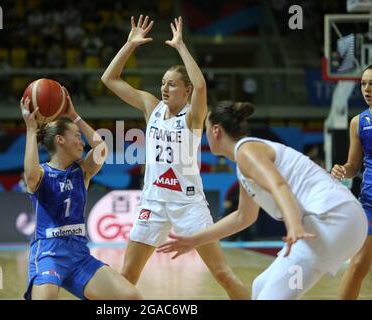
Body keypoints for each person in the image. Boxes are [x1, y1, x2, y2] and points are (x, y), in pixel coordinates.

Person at [101, 15, 249, 300]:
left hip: (188, 204)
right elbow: (109, 79)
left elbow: (203, 87)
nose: (164, 88)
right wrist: (129, 45)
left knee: (222, 274)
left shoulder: (193, 116)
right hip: (153, 202)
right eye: (162, 83)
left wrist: (180, 46)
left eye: (171, 84)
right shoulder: (151, 106)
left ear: (186, 90)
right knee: (126, 277)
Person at [157, 101, 368, 300]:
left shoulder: (246, 151)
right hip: (344, 222)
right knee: (259, 287)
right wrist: (193, 240)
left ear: (216, 130)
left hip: (331, 220)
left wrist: (293, 226)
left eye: (206, 128)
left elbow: (279, 185)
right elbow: (243, 218)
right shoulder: (246, 160)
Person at [20, 92, 141, 300]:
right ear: (60, 140)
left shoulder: (82, 172)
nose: (82, 142)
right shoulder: (41, 174)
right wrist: (31, 130)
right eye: (77, 136)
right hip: (49, 254)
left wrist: (74, 116)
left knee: (132, 298)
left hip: (79, 256)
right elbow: (29, 176)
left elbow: (101, 148)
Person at [331, 65, 372, 300]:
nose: (367, 89)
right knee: (357, 265)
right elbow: (353, 166)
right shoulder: (358, 122)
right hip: (369, 202)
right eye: (364, 84)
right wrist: (342, 170)